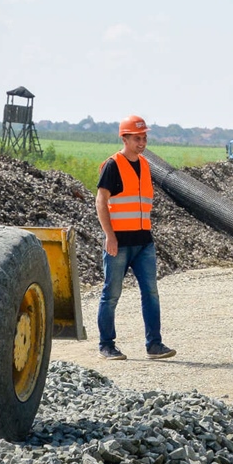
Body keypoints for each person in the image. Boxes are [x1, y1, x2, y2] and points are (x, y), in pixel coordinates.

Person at [95, 115, 175, 360]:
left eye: (144, 138)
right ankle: (106, 346)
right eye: (137, 138)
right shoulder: (112, 165)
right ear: (125, 138)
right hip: (118, 243)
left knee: (151, 293)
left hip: (143, 243)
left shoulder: (145, 165)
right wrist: (110, 236)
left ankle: (154, 344)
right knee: (111, 294)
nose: (142, 143)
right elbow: (101, 201)